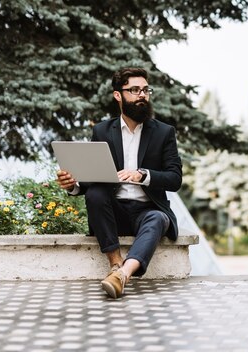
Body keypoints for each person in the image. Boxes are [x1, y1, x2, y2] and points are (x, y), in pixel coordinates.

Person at [56, 67, 182, 298]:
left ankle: (122, 275)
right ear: (118, 95)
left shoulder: (164, 132)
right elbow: (94, 176)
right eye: (134, 90)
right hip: (113, 213)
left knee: (157, 218)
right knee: (95, 194)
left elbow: (175, 179)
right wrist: (72, 185)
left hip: (148, 211)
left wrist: (142, 175)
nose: (142, 95)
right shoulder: (102, 130)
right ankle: (115, 264)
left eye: (145, 90)